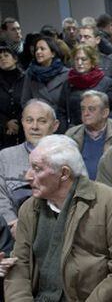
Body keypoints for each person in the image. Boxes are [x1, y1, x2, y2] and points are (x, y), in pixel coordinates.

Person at [4, 134, 112, 301]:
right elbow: (19, 266)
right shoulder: (29, 208)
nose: (28, 176)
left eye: (37, 168)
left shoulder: (108, 201)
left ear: (64, 173)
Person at [0, 99, 59, 239]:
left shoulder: (65, 156)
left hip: (56, 233)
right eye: (29, 120)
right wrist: (13, 223)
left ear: (55, 126)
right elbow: (0, 196)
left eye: (42, 121)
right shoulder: (5, 156)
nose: (34, 126)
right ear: (22, 123)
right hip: (12, 234)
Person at [65, 91, 112, 180]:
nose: (85, 113)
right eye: (83, 109)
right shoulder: (71, 135)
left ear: (105, 113)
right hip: (81, 190)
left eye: (91, 109)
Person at [58, 44, 112, 130]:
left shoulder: (106, 83)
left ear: (92, 61)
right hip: (74, 131)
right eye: (76, 59)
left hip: (100, 129)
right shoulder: (69, 83)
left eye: (84, 59)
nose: (79, 63)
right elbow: (62, 111)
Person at [21, 36, 69, 111]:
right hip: (39, 118)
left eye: (42, 49)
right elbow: (25, 101)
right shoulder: (30, 73)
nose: (38, 52)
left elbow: (69, 103)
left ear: (53, 53)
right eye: (36, 49)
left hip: (60, 118)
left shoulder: (66, 74)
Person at [78, 25, 112, 89]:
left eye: (86, 37)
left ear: (97, 40)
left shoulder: (110, 63)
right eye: (80, 37)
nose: (82, 40)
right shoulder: (73, 63)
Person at [0, 46, 25, 149]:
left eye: (6, 55)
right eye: (0, 57)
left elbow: (28, 101)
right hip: (2, 131)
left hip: (24, 127)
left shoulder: (26, 78)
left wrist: (18, 122)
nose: (2, 59)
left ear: (15, 59)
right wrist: (6, 123)